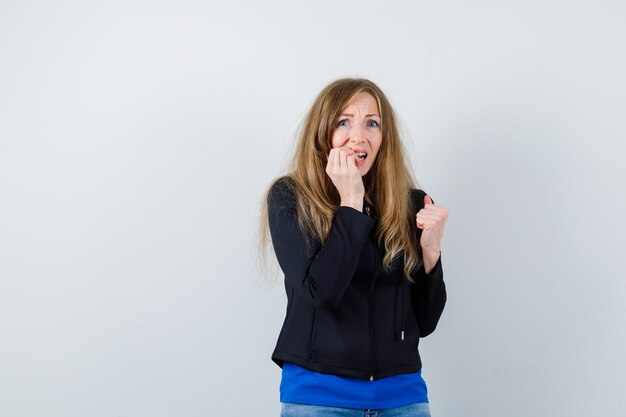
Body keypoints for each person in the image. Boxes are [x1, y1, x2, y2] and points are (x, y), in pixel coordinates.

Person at [258, 78, 449, 417]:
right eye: (344, 121)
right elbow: (322, 293)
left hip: (403, 399)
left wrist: (431, 254)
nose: (358, 136)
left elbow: (425, 322)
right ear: (323, 133)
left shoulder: (411, 204)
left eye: (372, 123)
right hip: (318, 399)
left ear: (383, 138)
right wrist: (351, 203)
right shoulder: (291, 198)